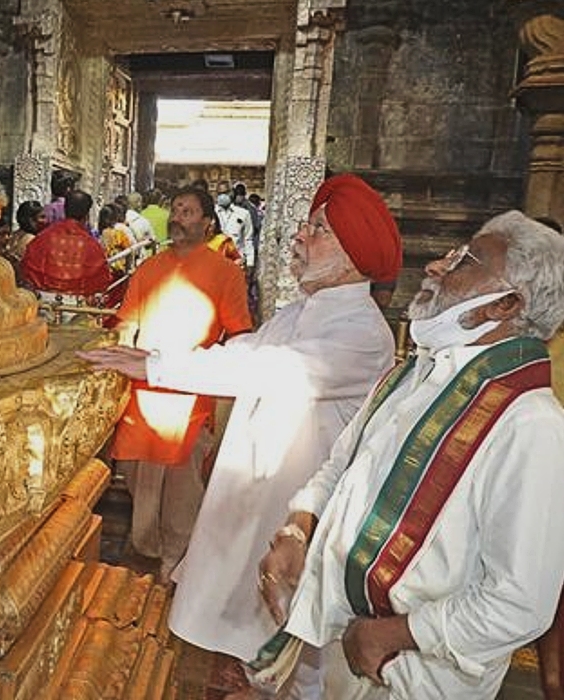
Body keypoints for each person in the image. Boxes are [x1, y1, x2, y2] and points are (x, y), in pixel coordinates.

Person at [78, 173, 402, 698]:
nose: (299, 236)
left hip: (295, 512)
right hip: (252, 498)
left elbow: (272, 370)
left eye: (316, 230)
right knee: (246, 644)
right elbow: (243, 353)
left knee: (295, 651)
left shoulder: (363, 332)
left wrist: (156, 367)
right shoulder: (300, 313)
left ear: (350, 257)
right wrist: (150, 359)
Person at [256, 210, 564, 700]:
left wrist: (393, 634)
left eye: (464, 260)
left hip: (414, 674)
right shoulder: (416, 374)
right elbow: (344, 465)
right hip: (349, 640)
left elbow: (520, 603)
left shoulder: (531, 425)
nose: (437, 267)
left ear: (504, 305)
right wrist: (300, 525)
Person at [110, 187, 253, 583]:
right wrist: (120, 350)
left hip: (190, 398)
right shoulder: (149, 268)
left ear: (207, 222)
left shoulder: (225, 272)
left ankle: (175, 557)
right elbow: (127, 322)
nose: (178, 217)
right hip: (142, 396)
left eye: (188, 212)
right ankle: (147, 547)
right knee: (138, 475)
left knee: (182, 487)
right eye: (176, 210)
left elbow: (239, 333)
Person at [21, 189, 112, 309]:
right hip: (77, 306)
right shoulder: (91, 244)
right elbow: (101, 279)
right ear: (87, 214)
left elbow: (27, 268)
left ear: (65, 209)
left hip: (43, 303)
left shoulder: (43, 237)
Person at [216, 181, 255, 269]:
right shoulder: (211, 213)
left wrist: (250, 263)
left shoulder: (243, 214)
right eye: (220, 193)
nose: (223, 196)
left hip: (237, 263)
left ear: (232, 193)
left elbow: (248, 239)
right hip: (215, 263)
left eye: (225, 193)